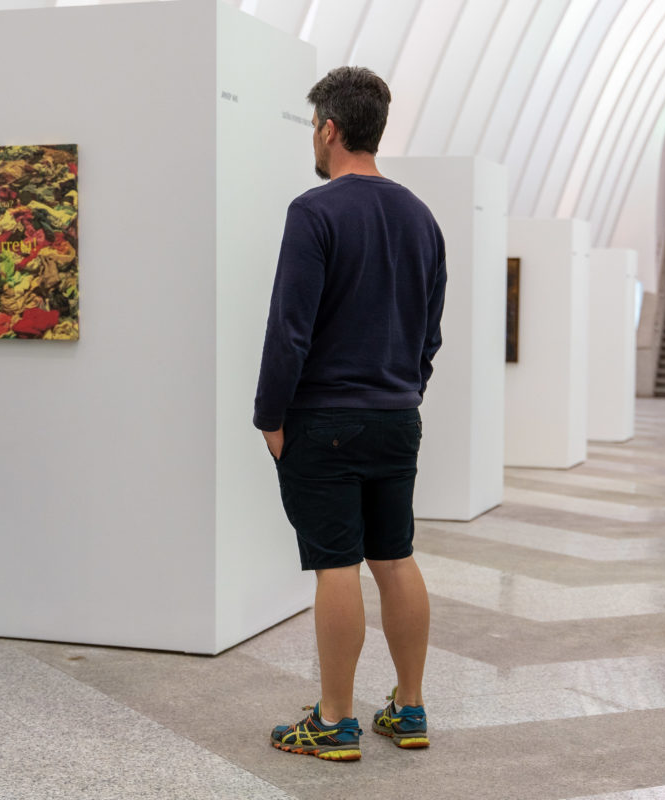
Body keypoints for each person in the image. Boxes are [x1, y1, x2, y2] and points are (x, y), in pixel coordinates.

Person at [255, 67, 446, 761]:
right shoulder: (421, 216)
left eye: (313, 126)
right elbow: (430, 332)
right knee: (394, 558)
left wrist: (270, 416)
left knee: (336, 564)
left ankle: (334, 719)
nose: (314, 137)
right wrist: (403, 391)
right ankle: (411, 708)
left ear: (329, 129)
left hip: (325, 418)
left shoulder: (315, 211)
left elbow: (290, 328)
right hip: (397, 415)